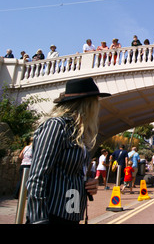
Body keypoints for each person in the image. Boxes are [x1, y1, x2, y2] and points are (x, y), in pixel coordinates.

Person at [26, 77, 110, 224]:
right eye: (96, 101)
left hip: (71, 212)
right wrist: (38, 219)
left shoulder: (78, 132)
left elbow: (72, 173)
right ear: (86, 104)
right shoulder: (56, 126)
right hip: (52, 213)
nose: (98, 106)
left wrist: (89, 183)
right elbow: (38, 176)